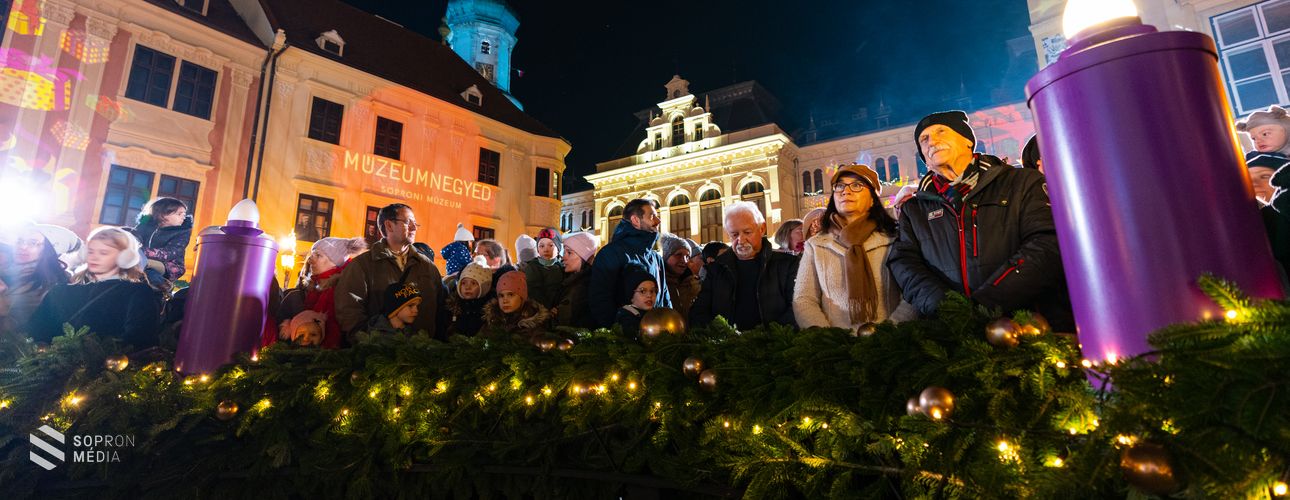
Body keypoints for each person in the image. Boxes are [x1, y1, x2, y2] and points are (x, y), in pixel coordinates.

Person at [888, 111, 1072, 330]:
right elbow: (905, 263)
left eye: (941, 132)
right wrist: (948, 308)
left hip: (1028, 329)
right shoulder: (914, 209)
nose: (932, 142)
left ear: (968, 141)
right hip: (952, 336)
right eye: (924, 139)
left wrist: (986, 304)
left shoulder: (1022, 183)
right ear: (925, 160)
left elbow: (1046, 245)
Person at [794, 164, 915, 329]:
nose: (846, 191)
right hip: (836, 348)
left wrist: (889, 333)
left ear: (873, 198)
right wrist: (827, 339)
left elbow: (911, 294)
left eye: (857, 185)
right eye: (840, 186)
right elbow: (804, 298)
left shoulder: (894, 239)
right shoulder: (816, 245)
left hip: (889, 345)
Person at [27, 227, 159, 347]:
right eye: (91, 251)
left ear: (124, 257)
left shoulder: (137, 293)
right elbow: (35, 331)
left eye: (103, 252)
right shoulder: (60, 290)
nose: (94, 257)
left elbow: (139, 341)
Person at [335, 203, 443, 341]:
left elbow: (440, 309)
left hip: (421, 356)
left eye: (415, 223)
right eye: (408, 222)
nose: (414, 228)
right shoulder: (362, 265)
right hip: (376, 355)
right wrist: (367, 341)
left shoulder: (428, 267)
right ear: (389, 225)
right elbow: (348, 311)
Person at [690, 202, 799, 330]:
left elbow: (797, 308)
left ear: (762, 228)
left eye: (747, 232)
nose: (741, 240)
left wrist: (769, 338)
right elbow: (699, 313)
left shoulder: (787, 265)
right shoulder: (716, 269)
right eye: (735, 235)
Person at [588, 199, 672, 327]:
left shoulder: (656, 258)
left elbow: (664, 297)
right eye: (652, 216)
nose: (658, 221)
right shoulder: (611, 254)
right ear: (635, 220)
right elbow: (600, 300)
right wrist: (619, 333)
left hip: (658, 336)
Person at [277, 237, 367, 348]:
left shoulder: (346, 291)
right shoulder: (304, 291)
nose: (310, 260)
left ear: (334, 263)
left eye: (318, 255)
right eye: (312, 254)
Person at [1, 223, 70, 332]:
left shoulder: (42, 285)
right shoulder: (8, 273)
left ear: (48, 250)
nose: (22, 247)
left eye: (33, 243)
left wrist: (2, 297)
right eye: (20, 241)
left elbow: (13, 331)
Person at [125, 197, 193, 291]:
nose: (183, 217)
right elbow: (135, 237)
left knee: (144, 265)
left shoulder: (182, 232)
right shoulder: (145, 226)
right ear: (163, 215)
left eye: (184, 214)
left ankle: (164, 285)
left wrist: (140, 251)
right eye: (179, 214)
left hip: (169, 266)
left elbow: (169, 253)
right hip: (144, 260)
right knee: (132, 266)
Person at [482, 270, 550, 339]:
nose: (505, 300)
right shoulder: (492, 321)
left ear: (522, 297)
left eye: (511, 295)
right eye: (501, 296)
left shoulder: (534, 325)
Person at [553, 231, 599, 329]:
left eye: (569, 253)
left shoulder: (584, 286)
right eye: (564, 252)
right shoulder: (570, 280)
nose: (563, 257)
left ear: (584, 257)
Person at [445, 256, 493, 337]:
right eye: (463, 283)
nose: (467, 287)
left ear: (484, 287)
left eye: (473, 283)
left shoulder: (489, 313)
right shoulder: (451, 307)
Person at [659, 233, 701, 319]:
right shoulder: (659, 284)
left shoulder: (693, 283)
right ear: (666, 256)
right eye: (678, 255)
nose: (684, 260)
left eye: (687, 256)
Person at [522, 228, 564, 309]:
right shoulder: (533, 267)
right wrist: (548, 308)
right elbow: (534, 292)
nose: (546, 249)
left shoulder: (562, 267)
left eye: (551, 245)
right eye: (541, 246)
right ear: (537, 249)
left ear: (558, 249)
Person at [615, 269, 657, 338]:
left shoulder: (657, 313)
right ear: (631, 296)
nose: (649, 295)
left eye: (652, 291)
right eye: (643, 291)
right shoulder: (625, 317)